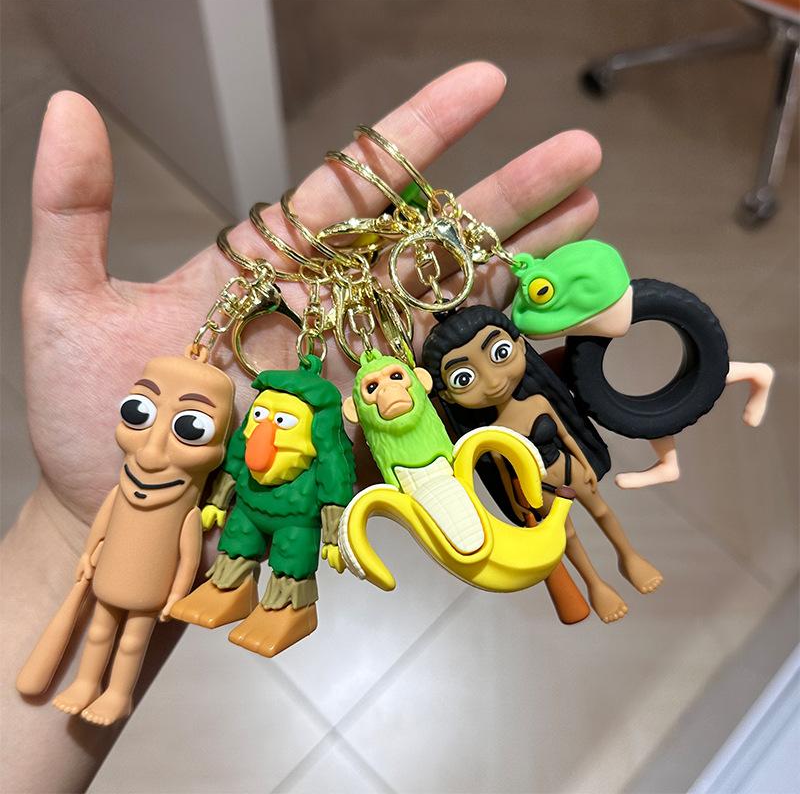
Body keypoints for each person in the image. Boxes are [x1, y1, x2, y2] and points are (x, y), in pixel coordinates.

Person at [1, 62, 603, 792]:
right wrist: (120, 521)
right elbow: (230, 475)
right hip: (254, 508)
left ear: (415, 385)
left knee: (288, 560)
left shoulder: (337, 430)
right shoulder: (255, 434)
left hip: (317, 511)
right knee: (234, 549)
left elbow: (337, 471)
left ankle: (286, 608)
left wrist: (330, 519)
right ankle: (227, 592)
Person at [421, 305, 663, 624]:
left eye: (500, 352)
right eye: (464, 378)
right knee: (567, 536)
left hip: (569, 467)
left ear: (520, 345)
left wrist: (585, 463)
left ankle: (629, 557)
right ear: (448, 396)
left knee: (602, 511)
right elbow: (503, 473)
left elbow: (567, 434)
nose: (493, 381)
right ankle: (594, 585)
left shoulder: (538, 402)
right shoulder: (491, 435)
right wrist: (518, 506)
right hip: (541, 489)